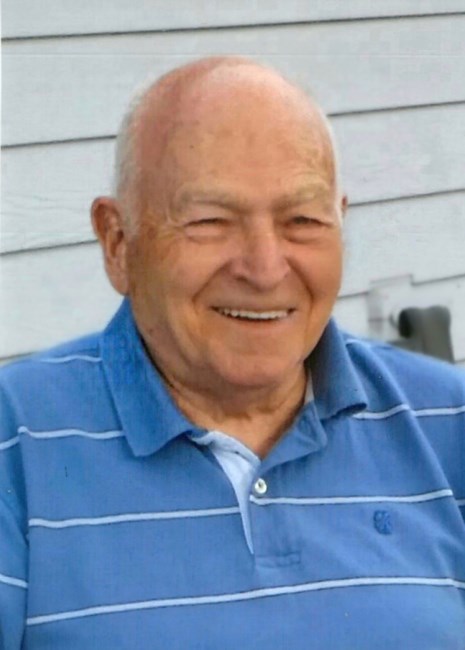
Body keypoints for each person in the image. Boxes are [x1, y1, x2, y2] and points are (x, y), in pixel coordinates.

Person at [1, 56, 464, 649]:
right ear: (118, 243)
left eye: (302, 219)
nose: (265, 269)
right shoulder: (16, 442)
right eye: (211, 221)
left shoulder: (447, 422)